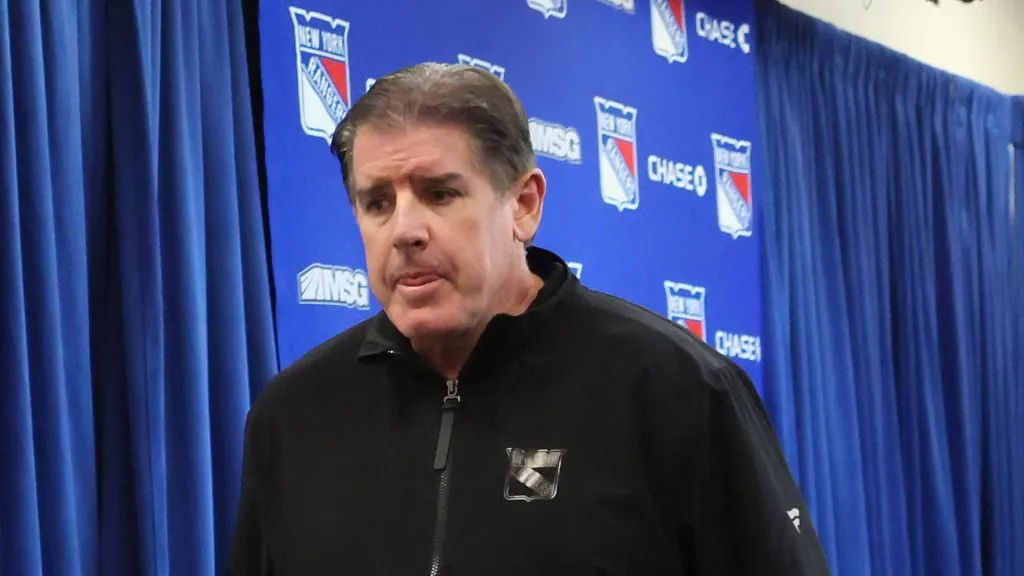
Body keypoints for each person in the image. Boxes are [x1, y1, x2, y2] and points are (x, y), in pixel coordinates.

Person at [227, 62, 830, 575]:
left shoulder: (677, 389)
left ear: (524, 204)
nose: (405, 231)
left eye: (440, 193)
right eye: (377, 202)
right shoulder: (294, 414)